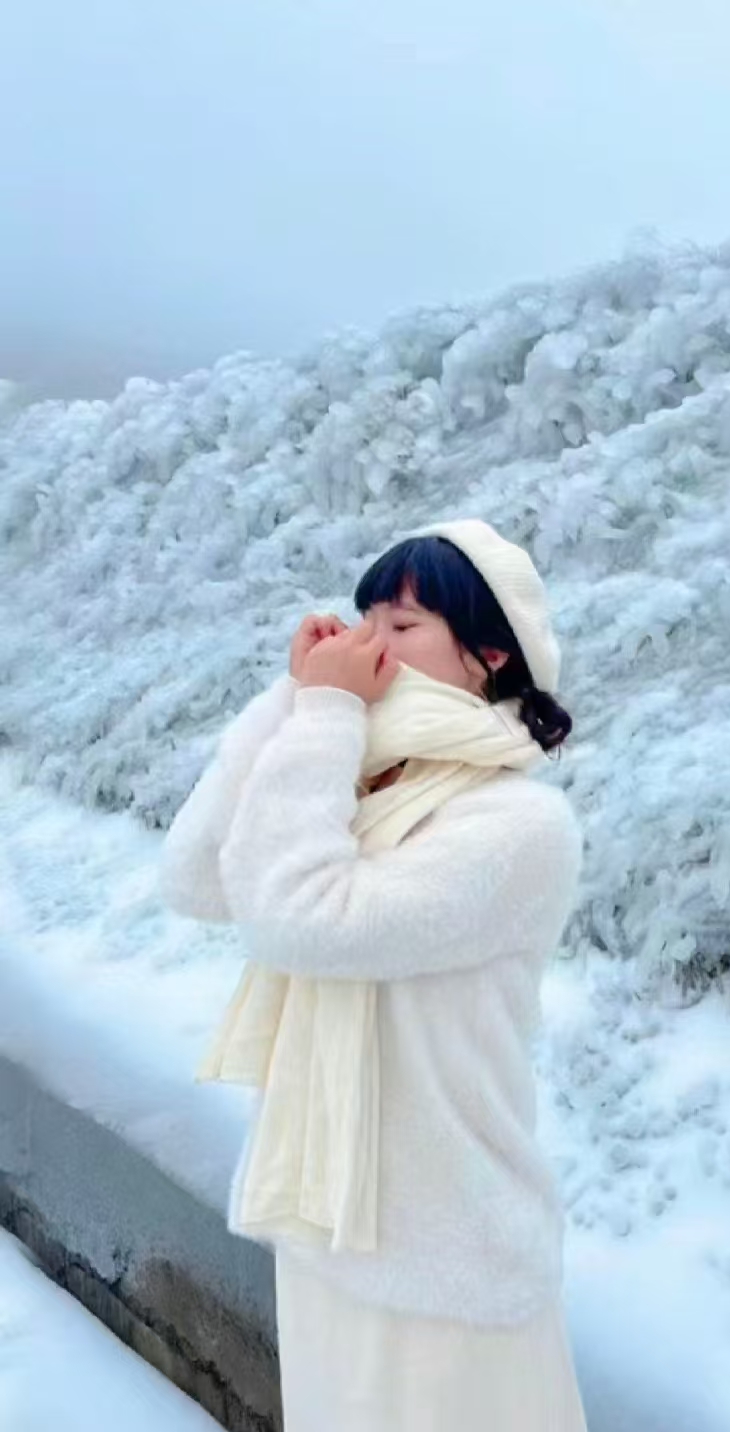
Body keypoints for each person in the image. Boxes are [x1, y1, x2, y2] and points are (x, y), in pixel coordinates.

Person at [158, 518, 590, 1431]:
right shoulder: (363, 780)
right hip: (330, 1224)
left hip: (448, 1257)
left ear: (489, 656)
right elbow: (198, 876)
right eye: (365, 622)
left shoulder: (517, 828)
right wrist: (293, 701)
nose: (370, 645)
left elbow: (303, 919)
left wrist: (324, 715)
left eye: (402, 625)